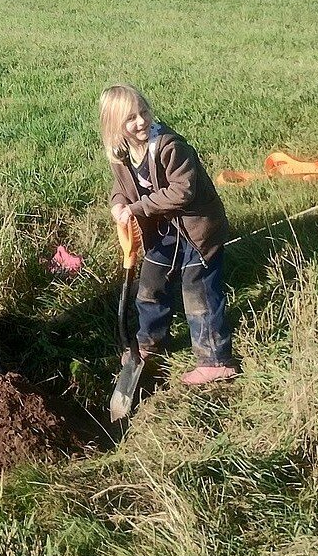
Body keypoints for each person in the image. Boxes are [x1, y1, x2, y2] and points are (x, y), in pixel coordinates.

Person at [101, 84, 238, 386]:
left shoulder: (169, 146)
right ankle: (150, 342)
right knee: (151, 284)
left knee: (198, 290)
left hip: (198, 227)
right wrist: (119, 204)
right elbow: (121, 187)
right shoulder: (122, 153)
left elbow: (182, 191)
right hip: (165, 230)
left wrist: (137, 208)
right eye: (130, 118)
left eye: (144, 112)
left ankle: (216, 361)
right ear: (114, 126)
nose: (141, 121)